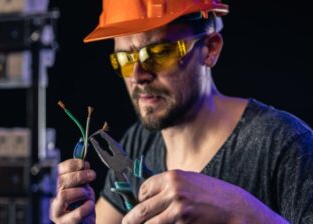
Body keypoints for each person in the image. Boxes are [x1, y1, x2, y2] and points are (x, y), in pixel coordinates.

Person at [50, 0, 313, 223]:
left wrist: (239, 211)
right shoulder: (137, 143)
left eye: (160, 52)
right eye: (125, 59)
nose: (139, 75)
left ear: (210, 49)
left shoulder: (286, 145)